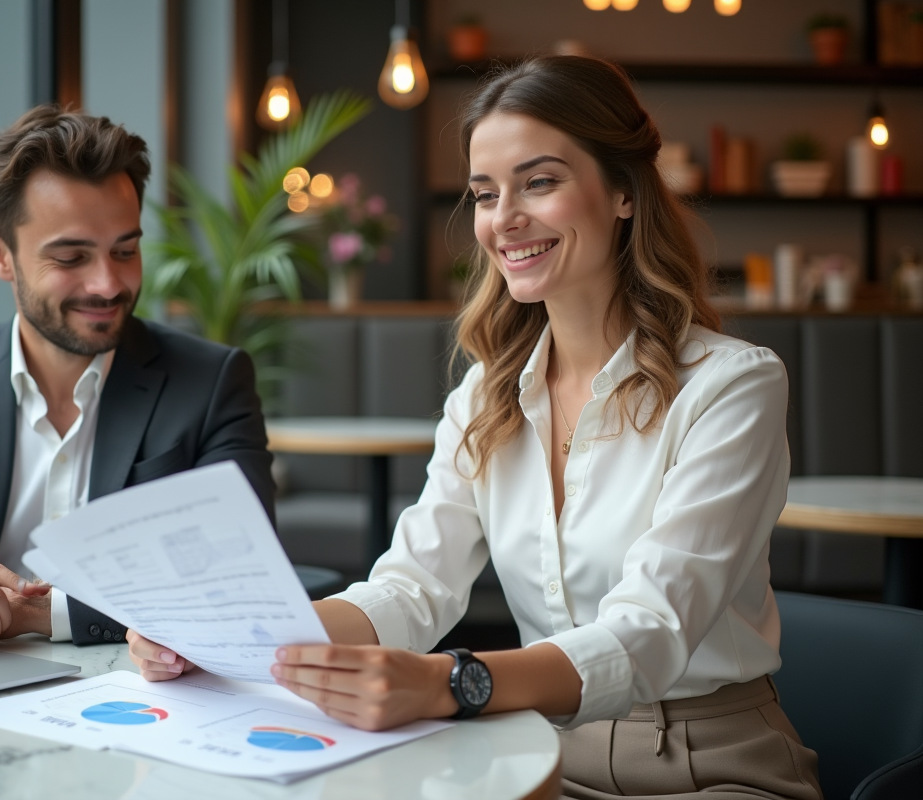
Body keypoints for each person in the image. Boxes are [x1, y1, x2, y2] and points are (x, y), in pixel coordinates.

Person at [127, 56, 822, 799]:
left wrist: (452, 683)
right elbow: (411, 590)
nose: (504, 219)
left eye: (541, 182)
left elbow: (651, 631)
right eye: (486, 194)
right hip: (539, 753)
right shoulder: (486, 397)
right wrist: (227, 637)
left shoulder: (732, 385)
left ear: (623, 191)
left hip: (707, 762)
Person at [0, 106, 274, 649]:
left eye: (125, 251)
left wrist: (32, 614)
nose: (109, 284)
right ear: (0, 256)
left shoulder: (210, 381)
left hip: (144, 692)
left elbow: (244, 578)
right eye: (71, 257)